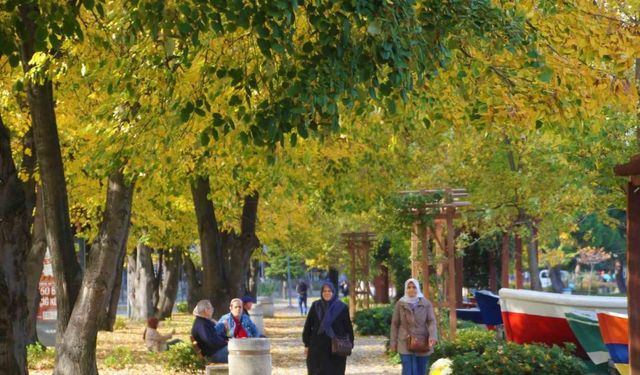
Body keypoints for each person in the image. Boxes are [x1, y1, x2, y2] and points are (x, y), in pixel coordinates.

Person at [302, 281, 354, 375]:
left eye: (329, 291)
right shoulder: (315, 306)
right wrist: (306, 344)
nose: (327, 293)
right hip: (317, 346)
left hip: (336, 347)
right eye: (324, 291)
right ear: (321, 292)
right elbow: (308, 325)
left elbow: (348, 327)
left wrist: (350, 343)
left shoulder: (342, 307)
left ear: (333, 292)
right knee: (316, 371)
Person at [390, 278, 438, 375]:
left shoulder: (426, 303)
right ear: (405, 289)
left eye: (414, 287)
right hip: (404, 340)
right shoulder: (400, 304)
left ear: (418, 289)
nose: (411, 289)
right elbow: (395, 324)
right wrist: (393, 341)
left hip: (422, 340)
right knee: (407, 370)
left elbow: (431, 321)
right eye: (409, 287)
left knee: (421, 371)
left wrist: (433, 336)